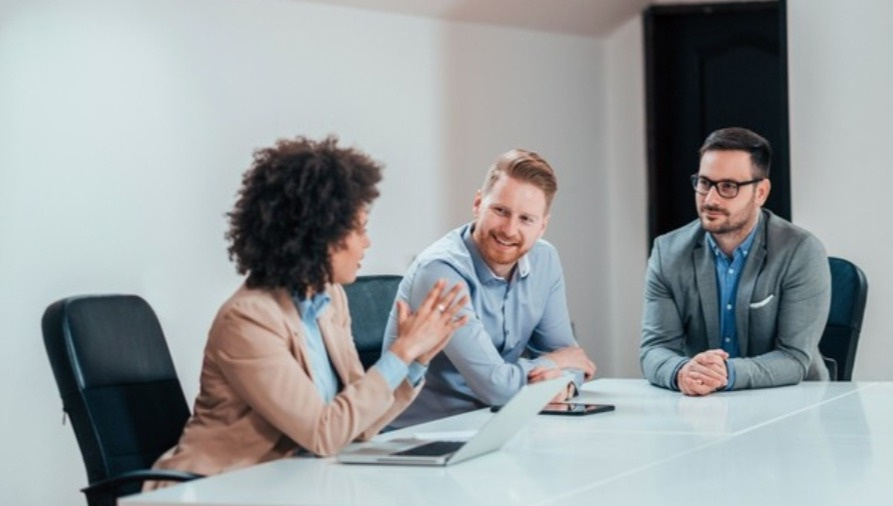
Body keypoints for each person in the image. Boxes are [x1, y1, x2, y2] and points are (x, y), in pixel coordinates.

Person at [148, 136, 468, 483]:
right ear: (318, 235)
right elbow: (324, 433)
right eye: (359, 229)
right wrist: (401, 353)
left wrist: (417, 361)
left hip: (293, 481)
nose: (367, 242)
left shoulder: (331, 301)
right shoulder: (247, 320)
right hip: (214, 487)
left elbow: (355, 425)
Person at [382, 148, 596, 428]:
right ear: (478, 203)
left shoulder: (545, 259)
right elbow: (496, 388)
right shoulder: (440, 270)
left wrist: (564, 384)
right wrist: (555, 364)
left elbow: (574, 362)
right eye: (500, 211)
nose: (509, 229)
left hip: (495, 427)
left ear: (542, 226)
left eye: (526, 219)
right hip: (421, 436)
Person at [639, 127, 831, 396]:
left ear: (761, 193)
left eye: (728, 187)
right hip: (704, 405)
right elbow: (654, 348)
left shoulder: (800, 250)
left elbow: (794, 358)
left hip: (791, 403)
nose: (710, 199)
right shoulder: (667, 252)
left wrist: (725, 374)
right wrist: (682, 371)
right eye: (704, 183)